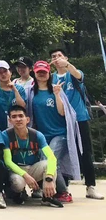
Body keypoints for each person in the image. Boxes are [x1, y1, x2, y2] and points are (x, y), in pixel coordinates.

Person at [50, 48, 103, 199]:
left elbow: (78, 75)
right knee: (62, 153)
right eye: (53, 57)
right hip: (60, 119)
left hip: (79, 117)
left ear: (66, 57)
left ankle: (90, 186)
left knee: (85, 152)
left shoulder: (73, 73)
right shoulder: (51, 77)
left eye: (59, 55)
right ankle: (63, 187)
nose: (56, 58)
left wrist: (67, 65)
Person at [30, 60, 79, 203]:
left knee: (50, 160)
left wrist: (57, 94)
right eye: (39, 72)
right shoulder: (31, 92)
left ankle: (63, 192)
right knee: (44, 162)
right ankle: (50, 192)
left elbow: (63, 112)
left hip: (59, 134)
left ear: (48, 73)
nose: (41, 74)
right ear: (34, 73)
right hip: (42, 135)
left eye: (44, 72)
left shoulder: (56, 89)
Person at [2, 105, 63, 207]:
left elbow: (52, 158)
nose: (18, 119)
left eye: (21, 116)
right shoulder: (5, 135)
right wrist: (25, 176)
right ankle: (19, 193)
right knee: (17, 183)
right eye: (14, 117)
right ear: (10, 120)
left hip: (33, 167)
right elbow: (8, 161)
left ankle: (47, 196)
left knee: (48, 165)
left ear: (27, 119)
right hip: (17, 170)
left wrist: (49, 178)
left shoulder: (37, 135)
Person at [0, 60, 26, 131]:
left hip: (16, 127)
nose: (3, 74)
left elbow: (22, 106)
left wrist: (15, 90)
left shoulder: (19, 88)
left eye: (5, 71)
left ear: (10, 72)